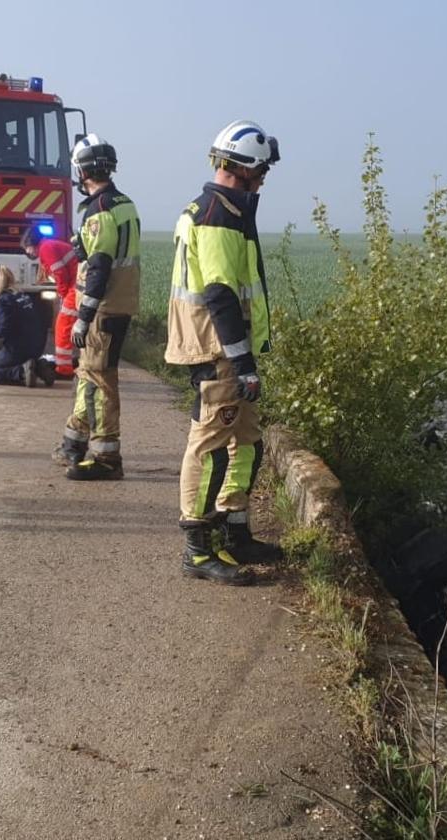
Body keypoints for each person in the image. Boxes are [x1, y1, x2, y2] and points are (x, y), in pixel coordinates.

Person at [165, 120, 282, 585]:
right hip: (218, 352)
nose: (265, 181)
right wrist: (243, 361)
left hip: (228, 350)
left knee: (247, 442)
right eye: (263, 172)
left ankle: (235, 529)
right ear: (246, 169)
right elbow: (219, 294)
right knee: (211, 446)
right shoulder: (216, 216)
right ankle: (197, 548)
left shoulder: (230, 210)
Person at [49, 134, 141, 481]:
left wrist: (82, 317)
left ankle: (106, 457)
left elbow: (99, 267)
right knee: (89, 374)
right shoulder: (123, 203)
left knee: (100, 381)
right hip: (122, 302)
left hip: (103, 308)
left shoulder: (98, 210)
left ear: (82, 170)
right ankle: (72, 443)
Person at [0, 266, 54, 386]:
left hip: (17, 349)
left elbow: (3, 330)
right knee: (4, 361)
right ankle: (39, 366)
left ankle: (21, 372)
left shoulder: (1, 301)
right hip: (37, 346)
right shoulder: (21, 295)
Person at [21, 225, 79, 378]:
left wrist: (63, 294)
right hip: (77, 285)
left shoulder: (46, 248)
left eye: (26, 248)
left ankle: (64, 369)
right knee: (68, 325)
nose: (27, 252)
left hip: (76, 287)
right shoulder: (50, 245)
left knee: (63, 326)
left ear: (31, 245)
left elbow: (60, 273)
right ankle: (68, 364)